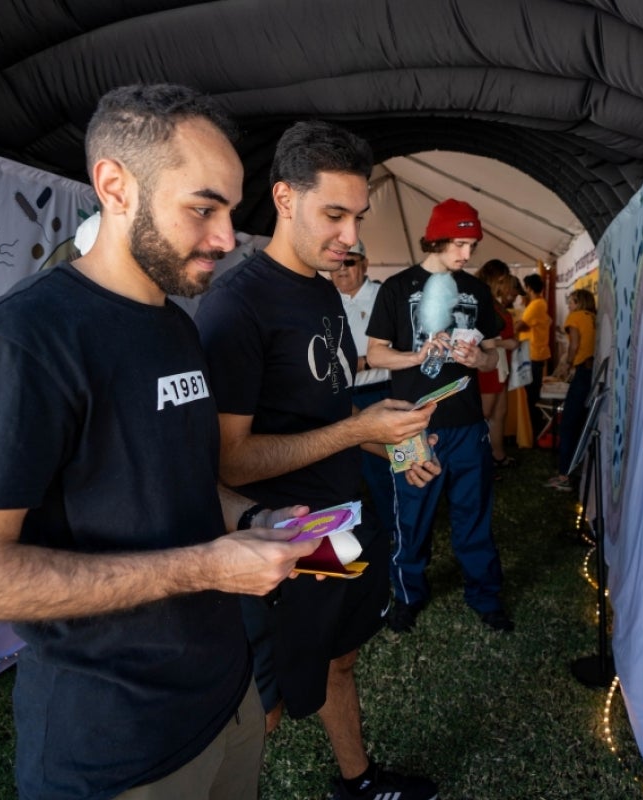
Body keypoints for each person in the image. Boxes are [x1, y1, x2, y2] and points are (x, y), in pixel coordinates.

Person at [0, 84, 321, 800]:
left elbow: (176, 480)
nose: (227, 238)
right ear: (114, 185)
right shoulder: (22, 340)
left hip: (223, 697)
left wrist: (256, 521)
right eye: (203, 208)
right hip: (115, 745)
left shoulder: (175, 325)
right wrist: (207, 568)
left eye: (231, 210)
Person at [193, 120, 441, 800]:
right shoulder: (235, 307)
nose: (351, 237)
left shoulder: (321, 289)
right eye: (334, 214)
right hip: (283, 538)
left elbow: (323, 414)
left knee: (339, 655)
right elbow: (232, 464)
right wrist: (356, 429)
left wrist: (384, 439)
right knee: (266, 700)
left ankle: (356, 783)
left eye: (357, 216)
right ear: (284, 198)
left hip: (341, 518)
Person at [367, 198, 513, 634]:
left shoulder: (477, 290)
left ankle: (485, 597)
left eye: (471, 245)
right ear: (436, 238)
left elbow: (491, 357)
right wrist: (416, 357)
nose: (467, 254)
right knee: (410, 517)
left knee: (474, 514)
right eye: (459, 243)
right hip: (412, 424)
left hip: (468, 428)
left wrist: (477, 359)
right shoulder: (395, 288)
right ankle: (407, 596)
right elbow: (375, 352)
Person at [331, 239, 399, 538]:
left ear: (365, 264)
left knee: (386, 471)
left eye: (350, 262)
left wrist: (363, 363)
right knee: (344, 475)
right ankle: (355, 538)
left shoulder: (383, 297)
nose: (342, 269)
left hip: (380, 392)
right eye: (337, 263)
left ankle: (396, 535)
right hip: (338, 399)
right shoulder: (324, 300)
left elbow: (400, 347)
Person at [546, 289, 598, 491]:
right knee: (580, 424)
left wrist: (566, 365)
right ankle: (574, 470)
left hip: (581, 373)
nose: (569, 305)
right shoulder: (592, 317)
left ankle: (564, 475)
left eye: (572, 301)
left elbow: (574, 345)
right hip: (591, 372)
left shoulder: (575, 317)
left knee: (568, 425)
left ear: (580, 302)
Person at [474, 261, 520, 468]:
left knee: (499, 413)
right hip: (489, 364)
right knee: (484, 414)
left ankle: (497, 455)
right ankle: (480, 460)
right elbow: (477, 336)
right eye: (502, 280)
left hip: (500, 362)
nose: (504, 285)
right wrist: (505, 342)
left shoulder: (493, 301)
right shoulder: (480, 299)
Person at [516, 272, 552, 440]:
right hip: (534, 352)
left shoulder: (535, 304)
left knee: (531, 395)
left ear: (528, 287)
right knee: (532, 393)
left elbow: (521, 326)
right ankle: (535, 427)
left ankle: (534, 429)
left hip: (532, 354)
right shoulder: (539, 303)